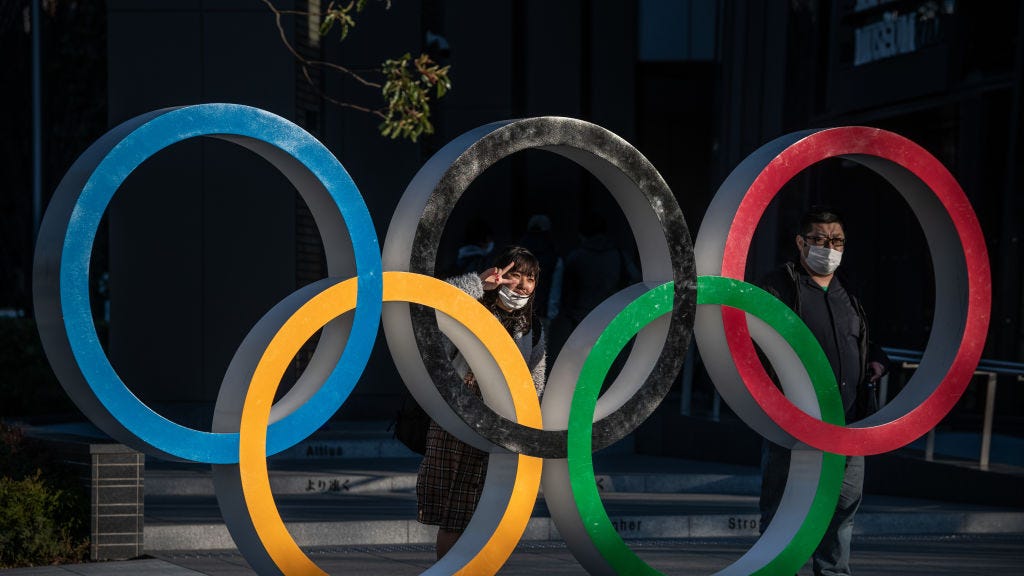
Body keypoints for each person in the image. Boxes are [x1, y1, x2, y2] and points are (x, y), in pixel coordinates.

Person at [758, 207, 889, 576]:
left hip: (848, 422)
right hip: (796, 420)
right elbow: (754, 339)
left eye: (836, 240)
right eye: (818, 239)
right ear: (800, 242)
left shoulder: (850, 288)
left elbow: (863, 338)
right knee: (786, 510)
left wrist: (877, 360)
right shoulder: (779, 285)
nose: (828, 247)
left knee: (842, 510)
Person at [415, 245, 547, 559]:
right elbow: (431, 300)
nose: (522, 285)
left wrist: (526, 425)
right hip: (459, 416)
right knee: (456, 512)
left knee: (486, 512)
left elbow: (534, 381)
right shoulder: (472, 308)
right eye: (515, 275)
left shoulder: (533, 328)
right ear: (501, 275)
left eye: (530, 278)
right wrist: (479, 284)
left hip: (501, 425)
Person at [517, 214, 564, 327]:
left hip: (518, 313)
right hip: (542, 313)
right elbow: (555, 291)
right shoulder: (554, 258)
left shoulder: (516, 255)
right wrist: (551, 314)